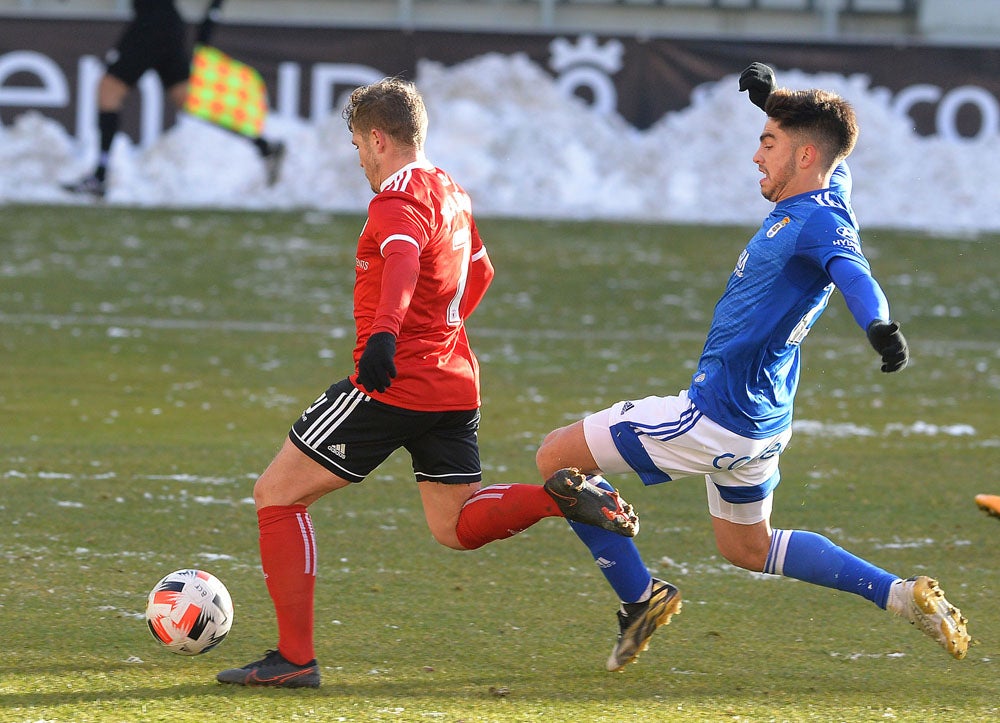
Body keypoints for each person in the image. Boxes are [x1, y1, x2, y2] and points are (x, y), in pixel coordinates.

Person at [533, 63, 972, 672]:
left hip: (714, 415)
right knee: (746, 546)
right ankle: (902, 596)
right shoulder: (827, 185)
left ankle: (641, 597)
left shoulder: (822, 220)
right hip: (762, 423)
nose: (756, 156)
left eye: (769, 144)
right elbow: (830, 139)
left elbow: (856, 276)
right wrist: (776, 101)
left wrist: (879, 325)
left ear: (805, 154)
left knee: (557, 458)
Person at [215, 77, 640, 689]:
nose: (360, 159)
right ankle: (558, 496)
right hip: (452, 382)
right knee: (455, 524)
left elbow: (406, 258)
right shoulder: (451, 191)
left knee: (277, 496)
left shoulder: (394, 199)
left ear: (379, 138)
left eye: (359, 145)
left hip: (391, 384)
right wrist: (440, 329)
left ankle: (295, 659)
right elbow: (482, 271)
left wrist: (390, 333)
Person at [63, 0, 285, 198]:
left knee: (108, 90)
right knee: (186, 100)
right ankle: (263, 145)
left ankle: (99, 177)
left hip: (152, 24)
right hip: (167, 24)